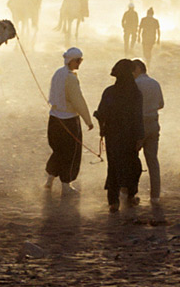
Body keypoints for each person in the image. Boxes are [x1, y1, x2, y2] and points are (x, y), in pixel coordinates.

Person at [94, 59, 144, 212]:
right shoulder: (135, 93)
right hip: (130, 136)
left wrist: (102, 130)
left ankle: (113, 202)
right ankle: (130, 196)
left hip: (113, 136)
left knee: (114, 166)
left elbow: (101, 113)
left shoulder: (109, 92)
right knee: (133, 165)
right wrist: (140, 137)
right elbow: (138, 116)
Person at [46, 47, 94, 195]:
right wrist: (88, 121)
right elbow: (78, 101)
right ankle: (66, 185)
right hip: (69, 122)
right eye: (78, 61)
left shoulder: (58, 73)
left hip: (54, 119)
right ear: (72, 61)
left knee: (58, 151)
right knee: (71, 153)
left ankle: (49, 181)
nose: (80, 63)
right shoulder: (70, 78)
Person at [132, 59, 163, 205]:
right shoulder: (155, 83)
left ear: (137, 69)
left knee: (132, 159)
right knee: (153, 161)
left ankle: (129, 192)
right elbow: (161, 104)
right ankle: (155, 195)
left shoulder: (135, 84)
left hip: (139, 124)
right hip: (154, 123)